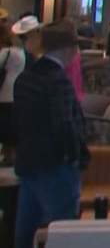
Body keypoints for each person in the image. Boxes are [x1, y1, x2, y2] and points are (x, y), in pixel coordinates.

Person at [13, 20, 89, 248]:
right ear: (68, 49)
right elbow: (65, 127)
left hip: (28, 163)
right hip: (57, 168)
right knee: (61, 233)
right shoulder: (59, 81)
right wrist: (78, 157)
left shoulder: (25, 78)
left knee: (26, 232)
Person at [0, 17, 33, 165]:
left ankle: (8, 156)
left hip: (4, 93)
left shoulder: (6, 52)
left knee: (4, 126)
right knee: (11, 127)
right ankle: (10, 155)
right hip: (17, 92)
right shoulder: (21, 52)